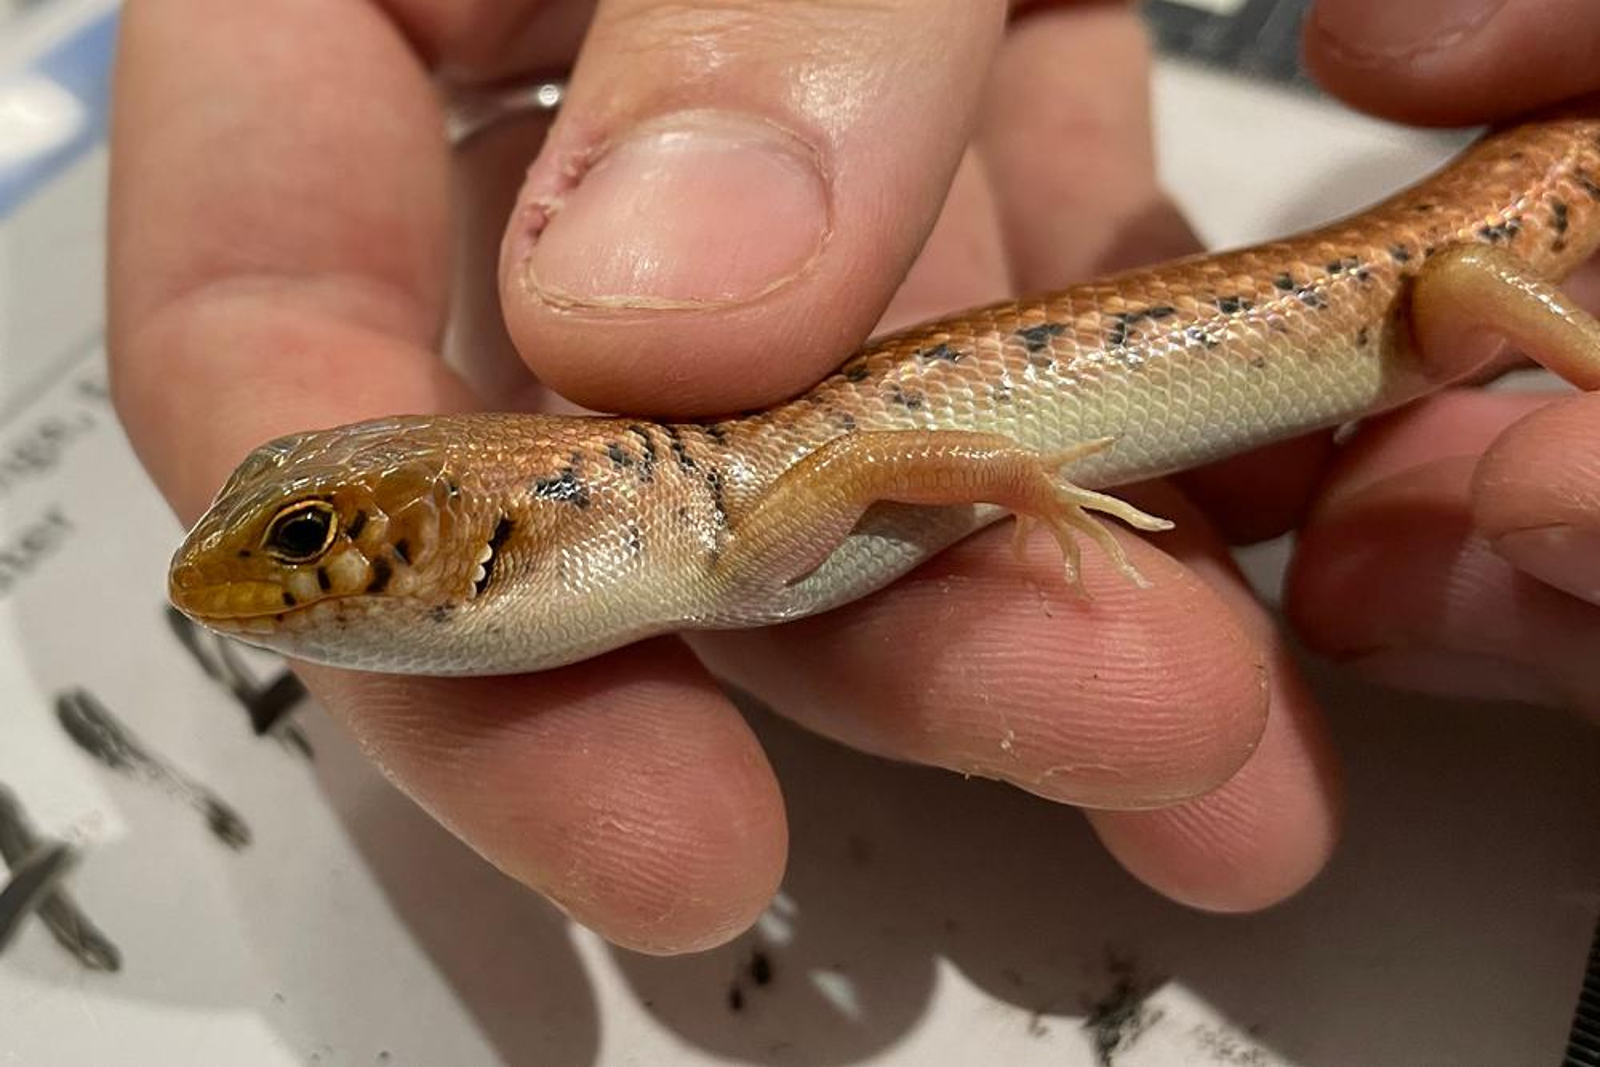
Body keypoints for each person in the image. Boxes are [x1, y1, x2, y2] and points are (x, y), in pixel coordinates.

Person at [108, 0, 1600, 954]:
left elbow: (889, 452)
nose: (254, 572)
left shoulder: (730, 527)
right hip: (1386, 298)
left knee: (1462, 287)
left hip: (1397, 290)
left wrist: (1032, 495)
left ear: (469, 538)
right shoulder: (685, 533)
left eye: (307, 538)